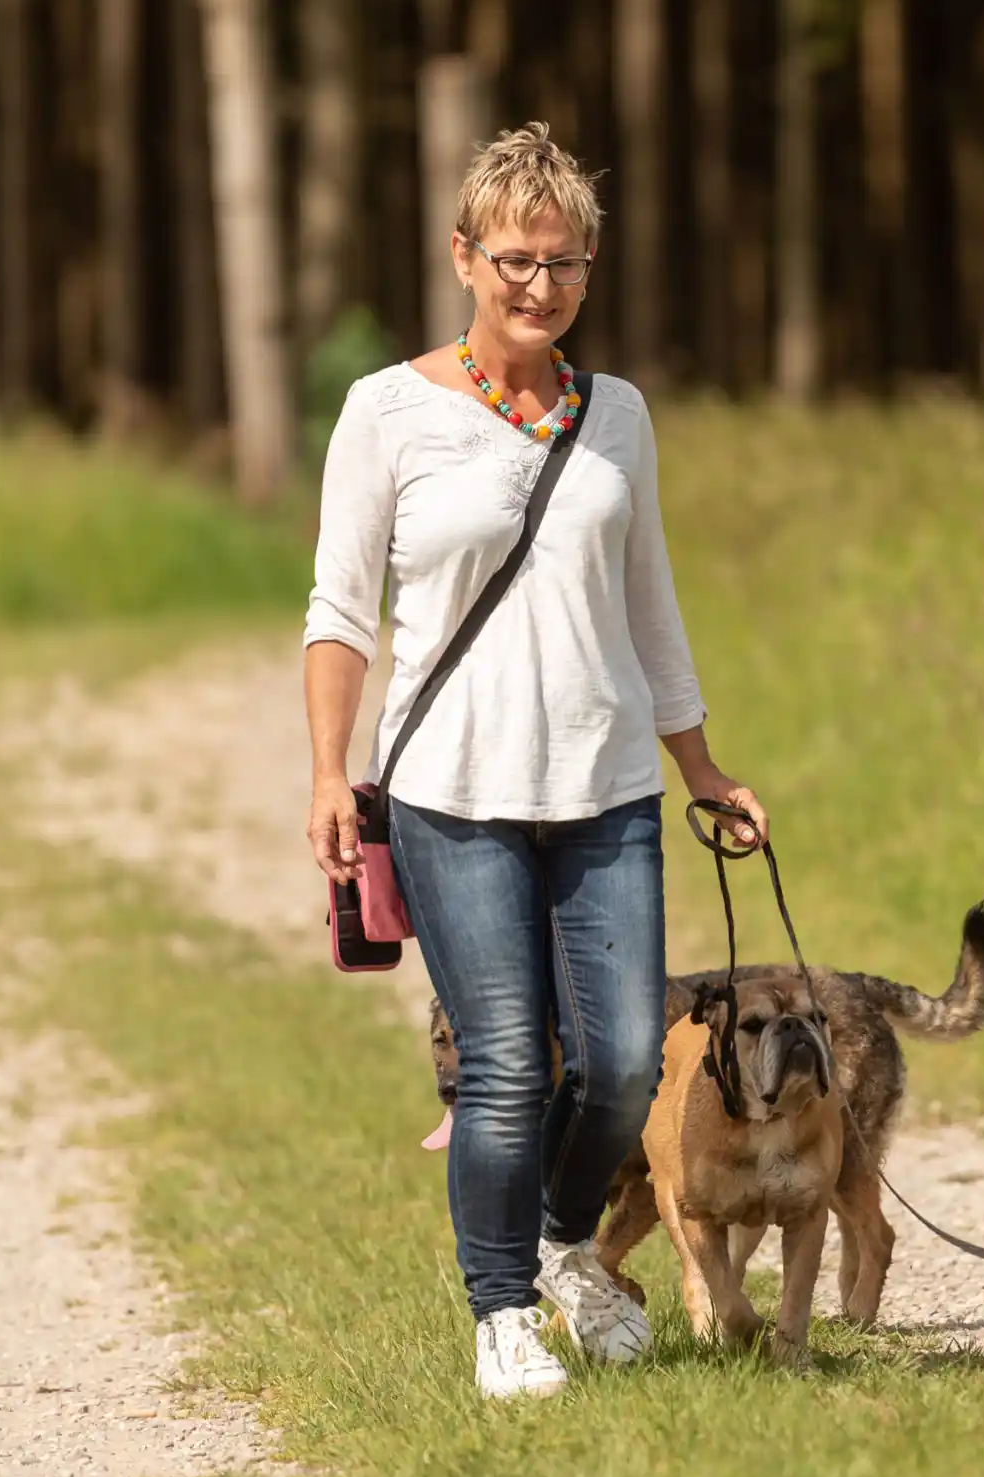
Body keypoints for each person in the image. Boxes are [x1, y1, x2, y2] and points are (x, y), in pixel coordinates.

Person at [301, 123, 763, 1399]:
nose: (538, 285)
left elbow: (649, 603)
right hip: (452, 791)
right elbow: (339, 609)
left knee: (620, 1061)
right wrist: (333, 771)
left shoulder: (616, 413)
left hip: (606, 782)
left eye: (565, 263)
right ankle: (501, 1312)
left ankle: (564, 1244)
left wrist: (702, 769)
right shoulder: (386, 412)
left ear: (589, 269)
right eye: (514, 258)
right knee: (508, 1064)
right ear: (463, 256)